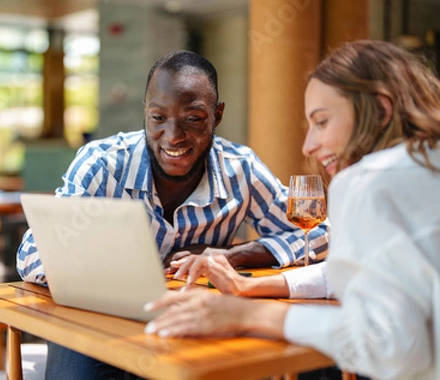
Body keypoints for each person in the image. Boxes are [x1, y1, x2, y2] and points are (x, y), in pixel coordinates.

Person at [16, 50, 329, 379]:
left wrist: (233, 255)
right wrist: (116, 269)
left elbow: (321, 234)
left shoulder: (240, 168)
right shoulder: (103, 164)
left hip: (193, 323)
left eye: (193, 119)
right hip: (99, 320)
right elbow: (31, 255)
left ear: (217, 115)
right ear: (145, 112)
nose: (173, 135)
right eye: (158, 118)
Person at [144, 40, 440, 380]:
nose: (309, 145)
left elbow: (392, 347)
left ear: (381, 111)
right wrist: (250, 288)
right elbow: (367, 270)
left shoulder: (369, 182)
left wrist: (247, 316)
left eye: (322, 122)